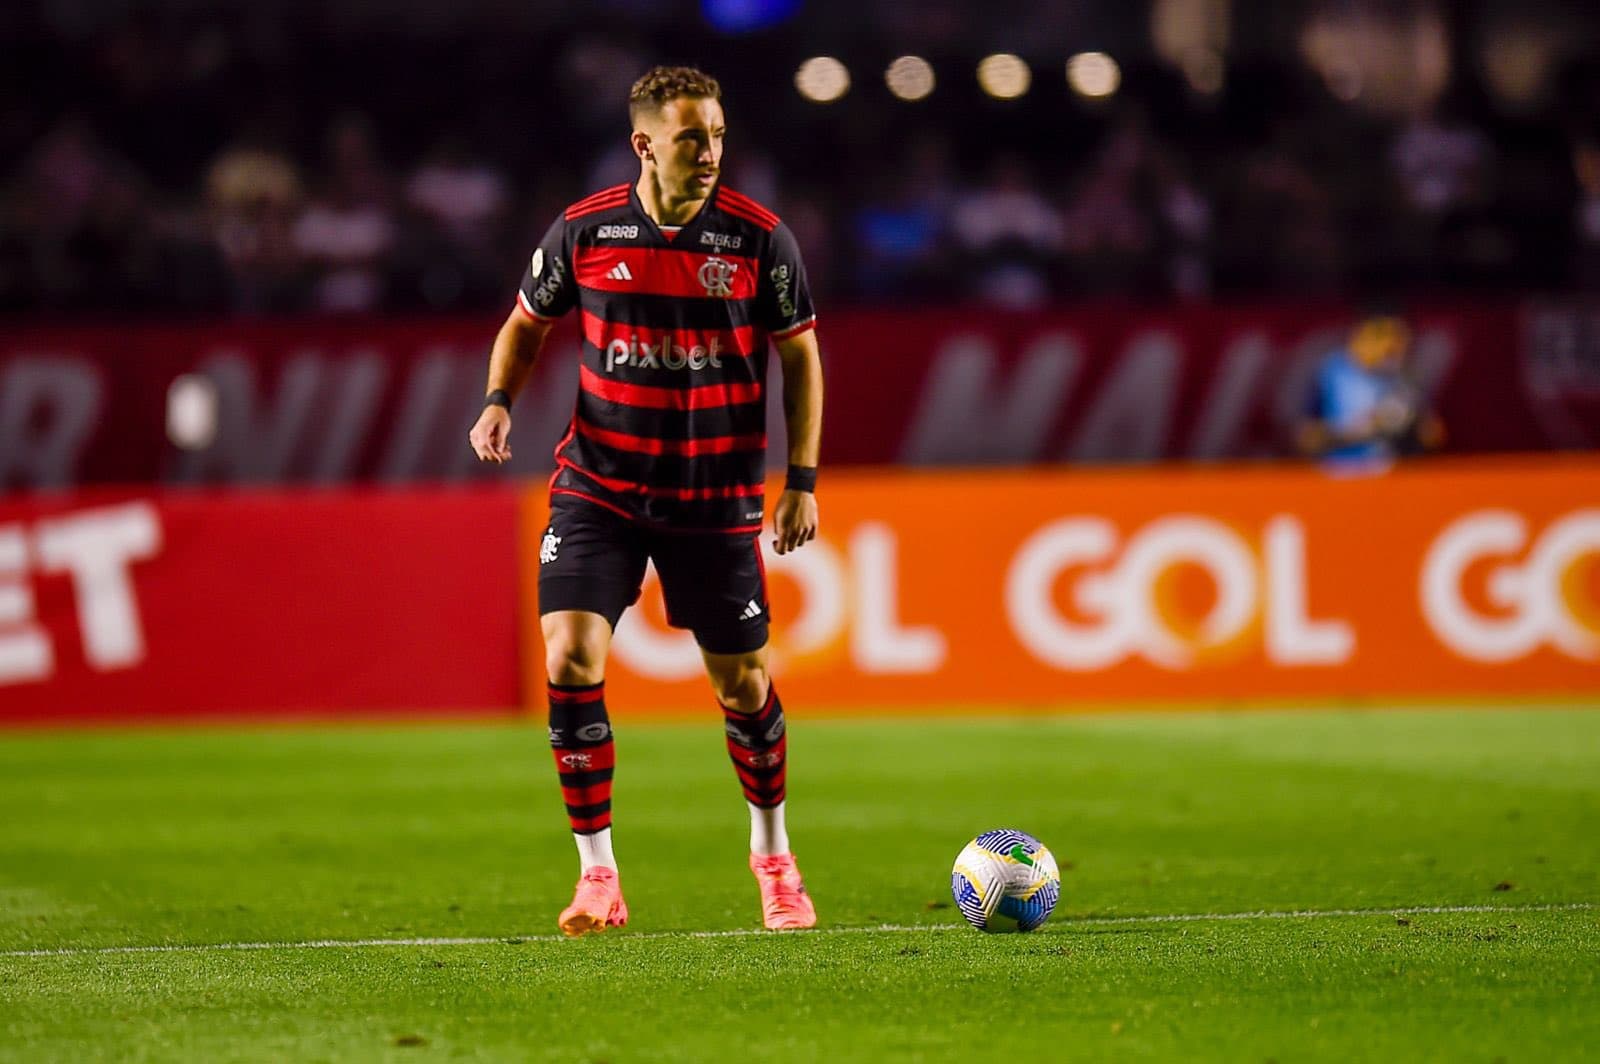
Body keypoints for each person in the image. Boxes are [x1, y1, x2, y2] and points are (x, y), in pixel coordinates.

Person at [468, 66, 824, 936]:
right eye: (691, 136)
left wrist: (802, 480)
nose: (709, 153)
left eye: (717, 136)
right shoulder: (585, 230)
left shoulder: (757, 239)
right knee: (569, 658)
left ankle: (773, 857)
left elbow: (802, 357)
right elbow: (526, 321)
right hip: (599, 485)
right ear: (645, 143)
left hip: (713, 498)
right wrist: (498, 399)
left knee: (743, 686)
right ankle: (598, 878)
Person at [1296, 312, 1444, 472]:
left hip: (1391, 475)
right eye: (1381, 336)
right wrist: (1360, 431)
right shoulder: (1330, 372)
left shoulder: (1407, 379)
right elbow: (1306, 438)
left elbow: (1432, 435)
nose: (1390, 346)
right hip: (1339, 473)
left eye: (1398, 339)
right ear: (1358, 337)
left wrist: (1408, 427)